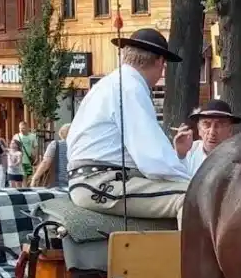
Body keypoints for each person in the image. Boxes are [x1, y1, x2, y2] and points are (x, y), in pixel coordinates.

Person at [66, 28, 193, 220]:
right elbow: (152, 157)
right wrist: (194, 181)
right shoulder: (130, 87)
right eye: (164, 66)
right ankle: (190, 252)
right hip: (100, 182)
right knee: (193, 198)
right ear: (160, 62)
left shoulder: (110, 83)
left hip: (93, 179)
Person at [174, 99, 241, 176]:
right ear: (199, 129)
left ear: (230, 130)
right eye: (206, 124)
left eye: (219, 125)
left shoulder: (239, 158)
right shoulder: (190, 151)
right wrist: (181, 155)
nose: (212, 132)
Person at [31, 123, 72, 189]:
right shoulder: (79, 146)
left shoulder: (55, 144)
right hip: (76, 183)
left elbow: (46, 163)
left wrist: (35, 177)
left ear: (61, 134)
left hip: (60, 183)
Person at [12, 123, 40, 187]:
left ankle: (24, 190)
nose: (21, 130)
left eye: (23, 128)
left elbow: (35, 146)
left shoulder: (32, 136)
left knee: (26, 177)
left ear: (27, 128)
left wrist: (35, 156)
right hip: (18, 160)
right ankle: (20, 191)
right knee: (19, 177)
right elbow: (12, 147)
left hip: (28, 160)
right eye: (20, 128)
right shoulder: (16, 136)